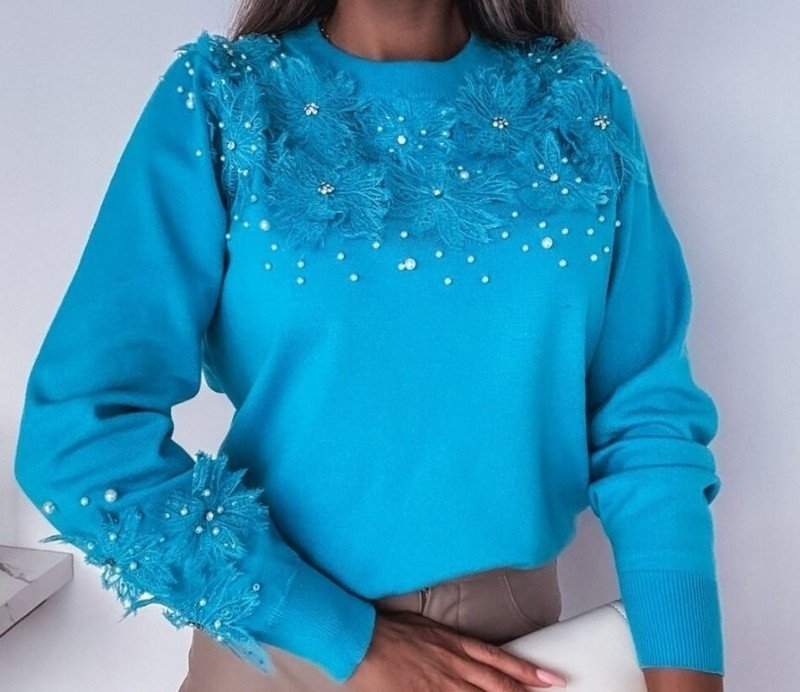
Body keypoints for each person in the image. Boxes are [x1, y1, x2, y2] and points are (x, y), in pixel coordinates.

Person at [12, 0, 725, 690]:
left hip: (519, 656)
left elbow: (645, 419)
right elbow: (77, 435)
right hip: (283, 655)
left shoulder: (578, 107)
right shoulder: (224, 103)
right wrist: (342, 637)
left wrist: (684, 665)